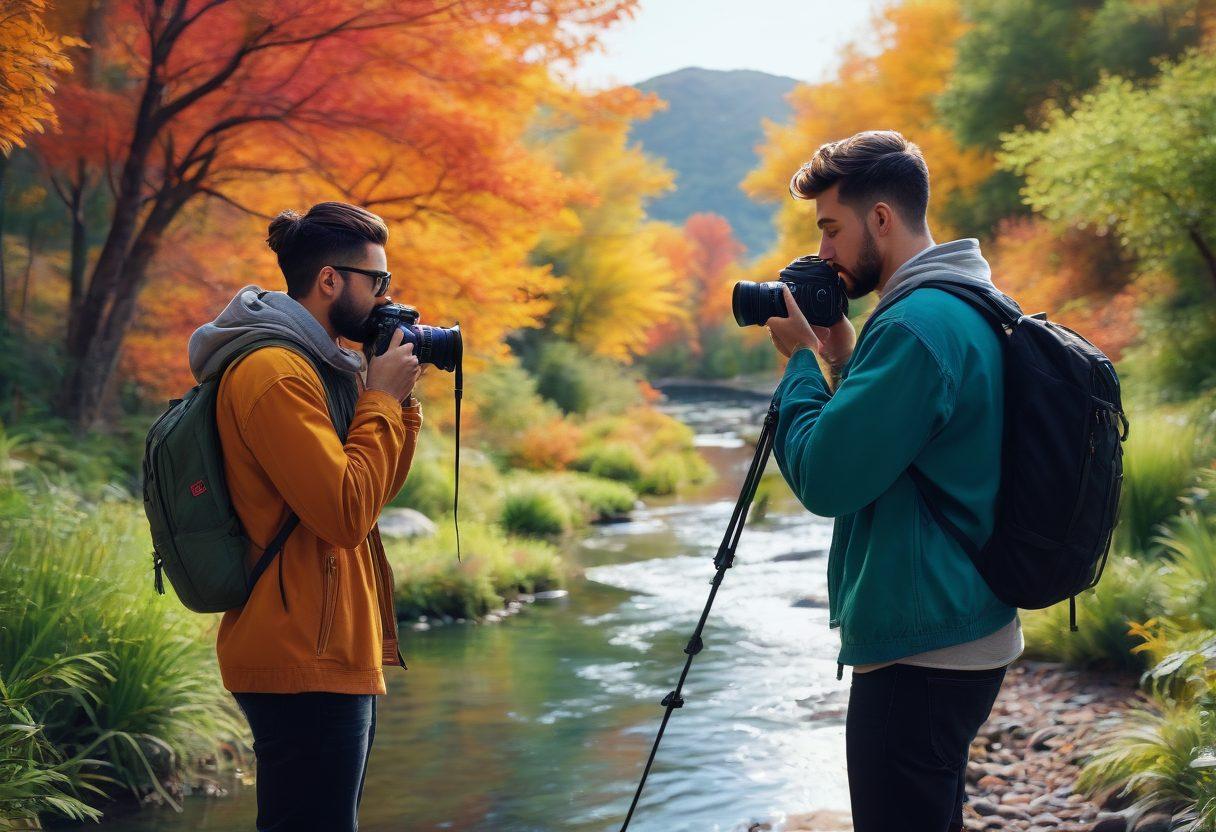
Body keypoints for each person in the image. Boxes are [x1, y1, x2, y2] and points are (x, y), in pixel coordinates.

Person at [764, 131, 1022, 832]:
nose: (822, 253)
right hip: (956, 619)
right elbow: (905, 446)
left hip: (924, 639)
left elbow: (827, 478)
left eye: (830, 228)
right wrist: (844, 356)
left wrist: (796, 365)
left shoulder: (915, 324)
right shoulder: (961, 302)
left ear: (880, 219)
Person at [187, 201, 424, 831]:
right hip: (301, 652)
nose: (386, 299)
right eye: (378, 283)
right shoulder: (275, 372)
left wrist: (397, 404)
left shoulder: (317, 365)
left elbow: (371, 495)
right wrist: (380, 397)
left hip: (327, 647)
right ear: (329, 280)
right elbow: (344, 516)